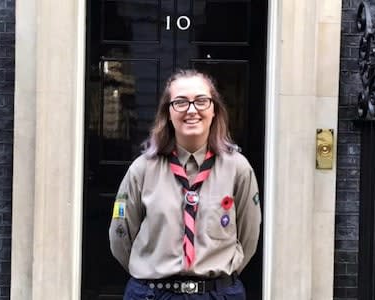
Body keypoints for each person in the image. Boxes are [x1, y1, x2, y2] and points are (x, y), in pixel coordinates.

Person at [109, 69, 261, 299]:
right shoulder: (142, 169)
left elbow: (249, 236)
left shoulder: (238, 169)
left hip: (217, 294)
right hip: (153, 294)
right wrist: (151, 270)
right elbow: (121, 238)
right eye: (180, 102)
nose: (191, 110)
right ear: (167, 113)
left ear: (214, 110)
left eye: (201, 101)